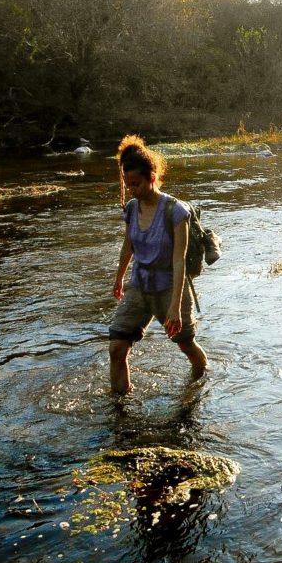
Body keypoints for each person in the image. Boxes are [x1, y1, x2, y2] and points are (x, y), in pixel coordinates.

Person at [109, 135, 207, 394]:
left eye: (137, 184)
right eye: (128, 185)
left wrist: (174, 306)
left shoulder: (176, 212)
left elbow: (179, 260)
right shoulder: (131, 208)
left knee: (185, 344)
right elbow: (128, 246)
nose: (132, 190)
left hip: (169, 288)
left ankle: (200, 380)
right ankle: (120, 409)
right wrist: (119, 279)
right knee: (117, 347)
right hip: (140, 286)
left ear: (151, 177)